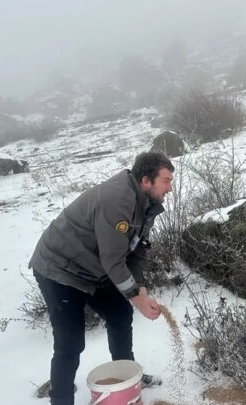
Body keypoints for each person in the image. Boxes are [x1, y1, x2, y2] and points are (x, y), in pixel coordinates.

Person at [29, 151, 174, 405]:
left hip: (93, 267)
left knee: (119, 315)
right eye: (166, 180)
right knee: (70, 343)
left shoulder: (145, 204)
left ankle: (126, 377)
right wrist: (137, 299)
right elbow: (114, 260)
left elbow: (137, 250)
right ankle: (61, 400)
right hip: (59, 269)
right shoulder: (117, 199)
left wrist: (139, 289)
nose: (170, 188)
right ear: (145, 180)